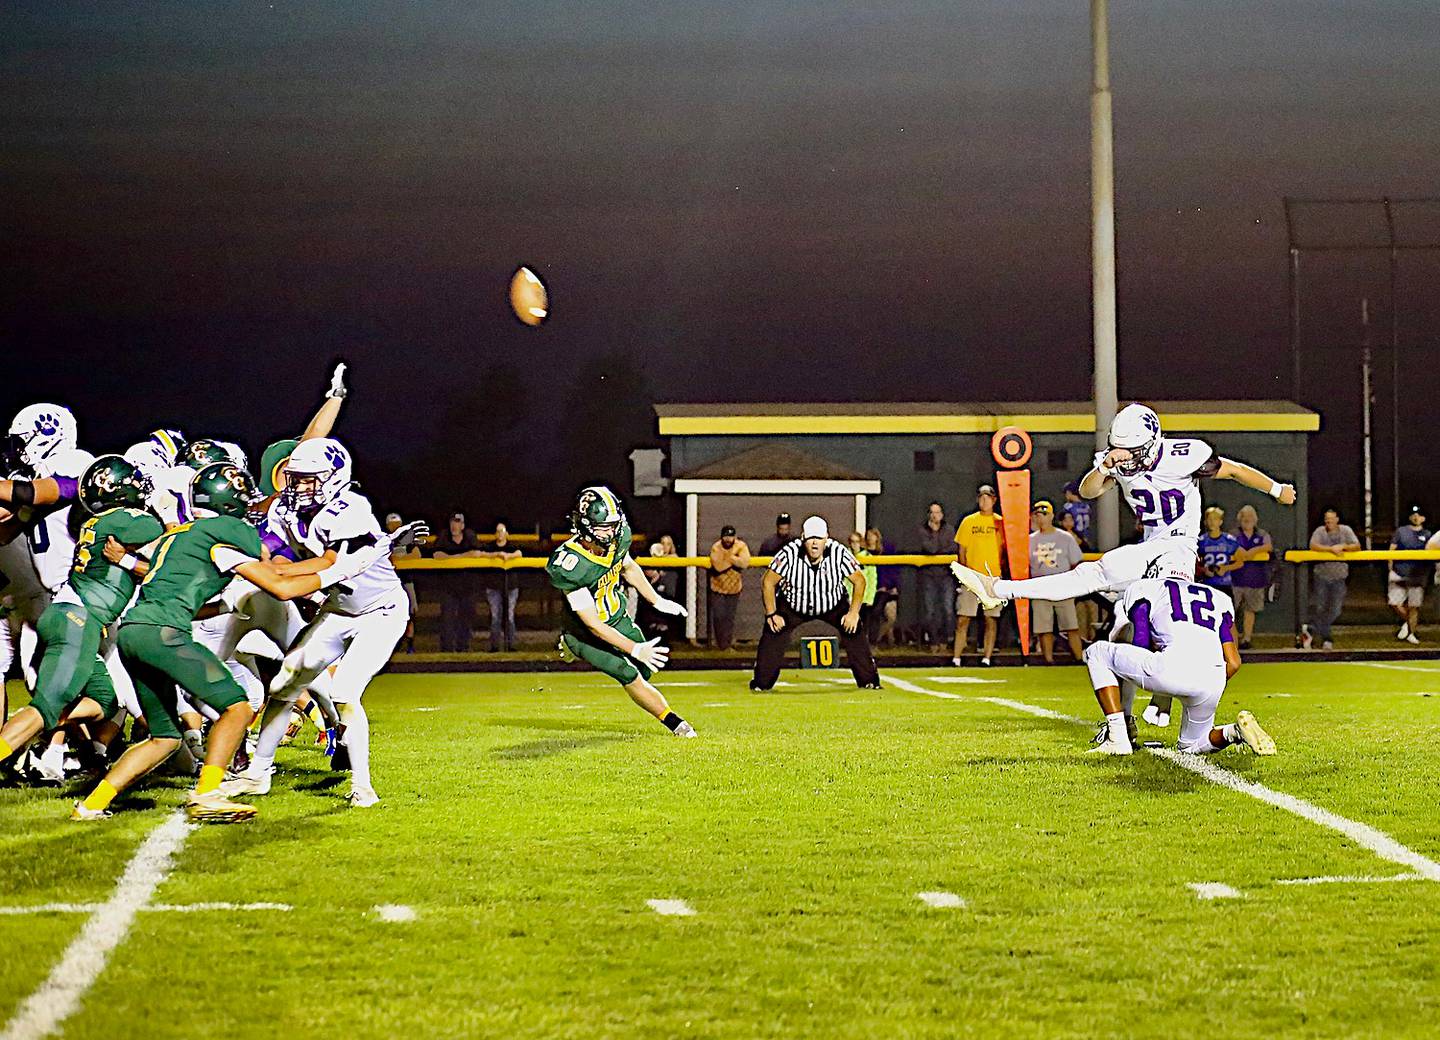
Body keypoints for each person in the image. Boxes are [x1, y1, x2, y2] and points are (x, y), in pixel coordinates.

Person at [72, 461, 405, 821]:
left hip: (134, 632)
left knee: (164, 738)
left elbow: (193, 602)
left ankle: (91, 805)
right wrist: (354, 564)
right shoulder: (223, 534)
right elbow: (280, 587)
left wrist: (227, 603)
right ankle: (207, 794)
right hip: (164, 634)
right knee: (239, 707)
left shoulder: (176, 537)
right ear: (230, 503)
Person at [224, 438, 423, 808]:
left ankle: (362, 786)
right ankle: (258, 774)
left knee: (345, 690)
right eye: (295, 478)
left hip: (380, 612)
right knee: (284, 683)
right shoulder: (287, 511)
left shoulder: (352, 507)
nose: (297, 486)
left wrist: (274, 571)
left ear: (333, 477)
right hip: (337, 610)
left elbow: (330, 563)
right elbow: (270, 548)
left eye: (307, 479)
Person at [953, 403, 1297, 613]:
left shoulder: (1185, 454)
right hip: (1151, 545)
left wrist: (1276, 488)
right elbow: (1088, 491)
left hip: (1177, 546)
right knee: (1124, 629)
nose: (1122, 458)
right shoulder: (1116, 461)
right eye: (1117, 450)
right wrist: (1103, 468)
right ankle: (1129, 721)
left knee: (1097, 575)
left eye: (1128, 451)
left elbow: (1234, 470)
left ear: (1150, 444)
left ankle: (999, 590)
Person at [0, 457, 162, 776]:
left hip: (66, 613)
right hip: (77, 621)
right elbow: (169, 556)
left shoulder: (93, 521)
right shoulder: (130, 521)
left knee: (106, 700)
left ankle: (66, 753)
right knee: (46, 706)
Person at [546, 486, 695, 736]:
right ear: (584, 526)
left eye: (614, 524)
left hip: (617, 617)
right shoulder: (571, 563)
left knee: (646, 670)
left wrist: (656, 600)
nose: (611, 531)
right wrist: (635, 648)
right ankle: (676, 724)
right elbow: (593, 624)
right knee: (627, 672)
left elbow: (627, 566)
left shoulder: (616, 539)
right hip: (584, 633)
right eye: (604, 526)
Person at [1084, 576, 1276, 757]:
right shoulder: (1219, 598)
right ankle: (1233, 732)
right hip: (1212, 677)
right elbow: (1234, 663)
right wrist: (1200, 683)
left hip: (1169, 667)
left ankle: (1117, 736)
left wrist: (1166, 687)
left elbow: (1140, 643)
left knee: (1097, 653)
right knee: (1191, 746)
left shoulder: (1148, 587)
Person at [751, 515, 879, 691]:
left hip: (832, 603)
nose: (814, 543)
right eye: (811, 538)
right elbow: (768, 581)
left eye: (819, 538)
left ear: (826, 538)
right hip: (793, 604)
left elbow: (859, 581)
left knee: (854, 630)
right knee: (772, 632)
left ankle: (869, 681)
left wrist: (853, 613)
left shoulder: (839, 552)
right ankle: (761, 682)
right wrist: (772, 614)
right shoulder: (789, 553)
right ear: (803, 537)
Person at [953, 484, 1005, 667]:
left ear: (994, 500)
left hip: (992, 577)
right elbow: (962, 549)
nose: (984, 501)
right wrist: (964, 573)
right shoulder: (969, 521)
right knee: (964, 617)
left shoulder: (1000, 522)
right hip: (972, 576)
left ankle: (987, 657)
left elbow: (1005, 549)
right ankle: (957, 657)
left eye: (988, 497)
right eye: (982, 497)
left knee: (991, 618)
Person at [1028, 501, 1084, 664]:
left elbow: (1076, 561)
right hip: (1040, 586)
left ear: (1052, 516)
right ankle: (1048, 659)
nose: (1042, 518)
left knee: (1071, 625)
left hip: (1062, 586)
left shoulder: (1065, 538)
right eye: (1038, 515)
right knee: (1043, 627)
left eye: (1045, 514)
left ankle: (1079, 658)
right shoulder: (1030, 540)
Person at [1304, 508, 1360, 651]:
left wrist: (1343, 547)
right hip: (1322, 575)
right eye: (1326, 519)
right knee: (1320, 606)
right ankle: (1327, 638)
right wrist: (1331, 550)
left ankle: (1311, 628)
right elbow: (1313, 545)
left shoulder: (1345, 530)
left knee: (1335, 610)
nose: (1328, 521)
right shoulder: (1320, 531)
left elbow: (1357, 546)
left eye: (1331, 518)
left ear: (1337, 519)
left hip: (1339, 577)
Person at [429, 511, 482, 651]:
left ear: (462, 525)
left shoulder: (470, 536)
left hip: (467, 586)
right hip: (448, 587)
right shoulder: (444, 536)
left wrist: (453, 557)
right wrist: (461, 557)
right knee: (447, 620)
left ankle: (463, 648)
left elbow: (476, 553)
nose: (454, 526)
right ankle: (446, 649)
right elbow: (436, 554)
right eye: (452, 522)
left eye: (457, 523)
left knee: (466, 619)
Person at [1229, 504, 1272, 649]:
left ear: (1255, 520)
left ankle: (1246, 638)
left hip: (1256, 579)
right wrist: (1241, 552)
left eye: (1250, 518)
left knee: (1250, 610)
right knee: (1231, 611)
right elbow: (1229, 545)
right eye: (1244, 518)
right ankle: (1231, 640)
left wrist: (1253, 551)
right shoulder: (1234, 534)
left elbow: (1268, 546)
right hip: (1235, 579)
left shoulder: (1262, 534)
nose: (1247, 521)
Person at [916, 502, 956, 649]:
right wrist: (934, 534)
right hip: (929, 575)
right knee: (929, 611)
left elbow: (952, 548)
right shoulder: (923, 530)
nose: (935, 515)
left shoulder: (949, 530)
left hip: (946, 575)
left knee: (948, 610)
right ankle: (933, 641)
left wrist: (938, 547)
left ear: (942, 514)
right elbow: (930, 549)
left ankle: (945, 640)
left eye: (937, 512)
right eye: (932, 512)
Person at [1388, 505, 1431, 644]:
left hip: (1417, 575)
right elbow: (1392, 549)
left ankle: (1411, 632)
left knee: (1414, 606)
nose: (1416, 517)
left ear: (1423, 518)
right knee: (1394, 603)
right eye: (1413, 514)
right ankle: (1408, 623)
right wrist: (1390, 567)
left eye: (1419, 515)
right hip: (1399, 572)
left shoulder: (1427, 534)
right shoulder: (1401, 531)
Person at [707, 524, 751, 650]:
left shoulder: (741, 545)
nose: (728, 539)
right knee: (719, 616)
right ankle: (720, 645)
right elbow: (718, 566)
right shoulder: (716, 547)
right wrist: (734, 559)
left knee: (729, 618)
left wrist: (729, 558)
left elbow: (745, 562)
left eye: (730, 537)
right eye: (726, 536)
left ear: (735, 537)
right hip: (718, 587)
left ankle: (726, 645)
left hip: (734, 588)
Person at [481, 522, 524, 652]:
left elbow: (519, 553)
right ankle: (494, 646)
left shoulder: (512, 547)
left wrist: (508, 556)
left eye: (502, 531)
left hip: (511, 587)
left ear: (506, 533)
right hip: (493, 587)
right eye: (498, 531)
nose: (500, 534)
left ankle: (510, 645)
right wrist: (497, 555)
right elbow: (482, 554)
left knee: (509, 616)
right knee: (495, 617)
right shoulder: (490, 547)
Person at [385, 512, 421, 652]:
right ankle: (392, 648)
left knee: (410, 614)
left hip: (406, 581)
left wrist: (396, 559)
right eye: (392, 525)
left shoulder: (407, 539)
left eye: (397, 525)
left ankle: (410, 647)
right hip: (388, 583)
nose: (395, 527)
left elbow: (417, 554)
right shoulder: (384, 539)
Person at [640, 534, 682, 643]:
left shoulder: (673, 557)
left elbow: (674, 557)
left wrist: (660, 557)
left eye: (668, 544)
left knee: (664, 628)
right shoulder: (652, 558)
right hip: (654, 595)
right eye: (663, 543)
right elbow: (647, 572)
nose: (665, 546)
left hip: (668, 595)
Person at [865, 527, 900, 647]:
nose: (870, 538)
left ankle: (879, 640)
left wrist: (892, 585)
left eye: (872, 535)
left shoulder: (887, 550)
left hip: (888, 588)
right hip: (873, 590)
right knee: (875, 614)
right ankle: (875, 643)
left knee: (891, 617)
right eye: (868, 535)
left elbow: (893, 569)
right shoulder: (865, 554)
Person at [1197, 506, 1243, 590]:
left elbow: (1240, 562)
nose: (1212, 522)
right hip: (1207, 584)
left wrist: (1225, 568)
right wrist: (1204, 570)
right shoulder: (1201, 541)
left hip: (1224, 584)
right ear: (1205, 522)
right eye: (1209, 519)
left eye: (1215, 519)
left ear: (1220, 521)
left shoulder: (1229, 540)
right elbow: (1195, 563)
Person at [851, 531, 878, 635]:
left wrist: (870, 598)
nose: (854, 544)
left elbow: (872, 579)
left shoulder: (868, 556)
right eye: (852, 542)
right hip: (850, 598)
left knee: (864, 625)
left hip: (864, 598)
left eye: (857, 542)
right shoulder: (846, 556)